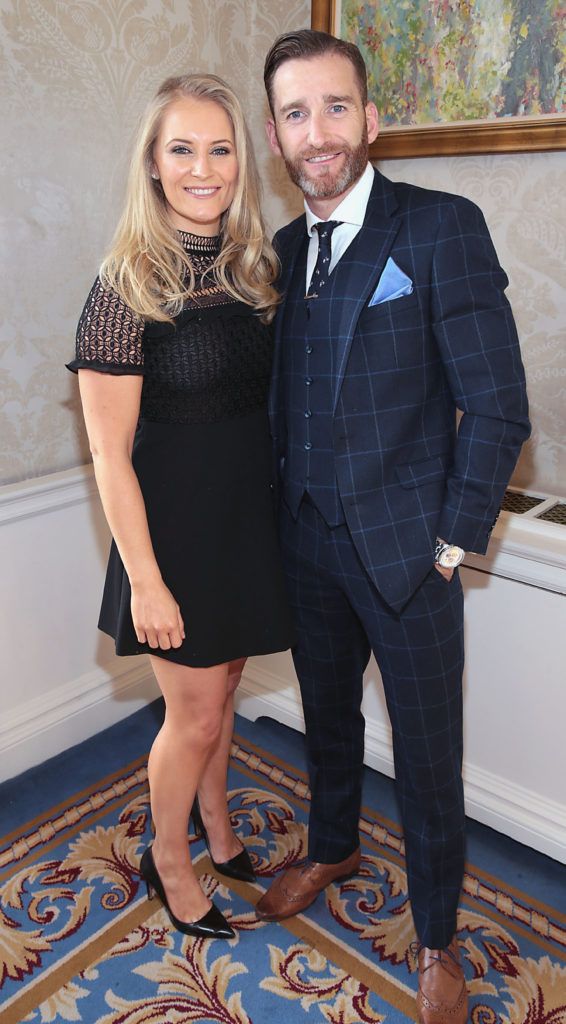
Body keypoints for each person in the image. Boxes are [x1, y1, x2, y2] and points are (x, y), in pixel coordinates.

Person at [255, 29, 530, 1023]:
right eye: (295, 114)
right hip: (305, 542)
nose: (316, 131)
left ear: (368, 120)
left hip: (410, 555)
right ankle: (331, 845)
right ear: (276, 135)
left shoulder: (437, 228)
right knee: (326, 721)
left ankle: (437, 937)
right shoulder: (283, 252)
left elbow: (496, 402)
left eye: (334, 107)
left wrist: (451, 539)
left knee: (424, 753)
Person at [68, 73, 294, 941]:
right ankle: (169, 857)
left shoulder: (255, 269)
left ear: (243, 159)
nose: (204, 168)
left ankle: (219, 824)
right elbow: (109, 455)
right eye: (182, 149)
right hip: (172, 537)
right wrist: (147, 583)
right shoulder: (123, 288)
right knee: (192, 713)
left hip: (246, 520)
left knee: (227, 691)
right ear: (153, 166)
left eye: (221, 148)